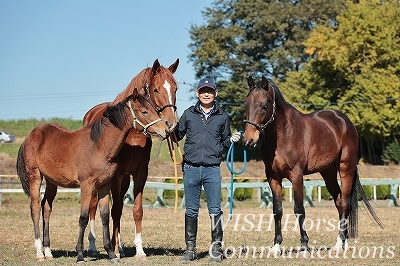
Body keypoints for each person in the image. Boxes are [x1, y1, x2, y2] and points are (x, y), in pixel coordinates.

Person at [174, 77, 241, 263]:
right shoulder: (188, 114)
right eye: (203, 90)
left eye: (209, 91)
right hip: (191, 168)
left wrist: (232, 140)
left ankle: (216, 249)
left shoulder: (223, 116)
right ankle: (190, 250)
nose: (206, 94)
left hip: (212, 169)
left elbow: (225, 140)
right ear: (197, 93)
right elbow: (177, 135)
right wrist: (170, 127)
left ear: (215, 94)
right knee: (191, 211)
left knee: (215, 210)